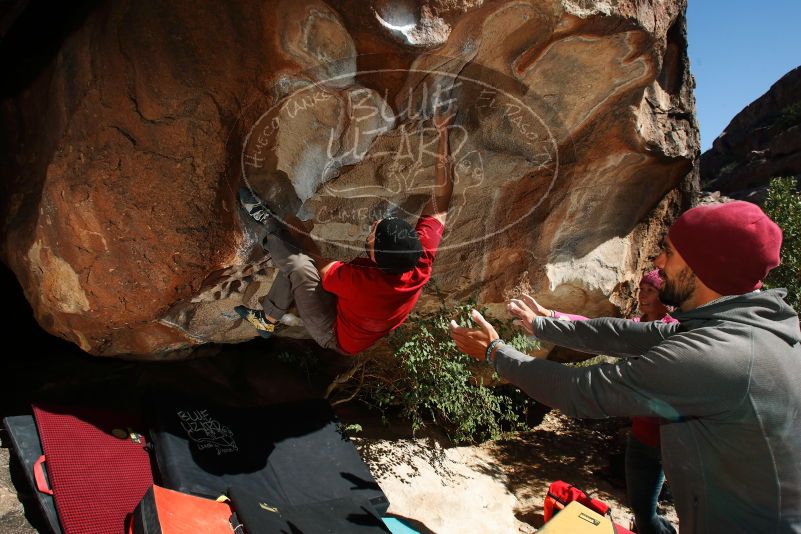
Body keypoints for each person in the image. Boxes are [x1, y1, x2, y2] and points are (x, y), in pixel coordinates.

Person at [450, 201, 801, 533]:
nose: (659, 261)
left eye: (671, 252)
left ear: (702, 268)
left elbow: (581, 391)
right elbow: (625, 335)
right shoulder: (746, 327)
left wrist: (496, 353)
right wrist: (543, 324)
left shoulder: (720, 355)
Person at [235, 106, 456, 355]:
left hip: (335, 333)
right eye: (380, 225)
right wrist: (443, 130)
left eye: (374, 235)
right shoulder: (419, 257)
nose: (373, 226)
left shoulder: (364, 284)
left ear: (376, 259)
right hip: (354, 310)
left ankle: (263, 222)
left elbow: (311, 264)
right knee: (296, 233)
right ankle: (269, 319)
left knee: (298, 266)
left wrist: (279, 230)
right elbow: (443, 195)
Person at [518, 270, 677, 534]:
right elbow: (594, 329)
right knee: (642, 509)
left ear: (665, 297)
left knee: (658, 511)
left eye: (649, 291)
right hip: (642, 433)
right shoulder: (637, 323)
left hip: (671, 436)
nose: (641, 295)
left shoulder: (670, 330)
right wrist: (550, 315)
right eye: (641, 288)